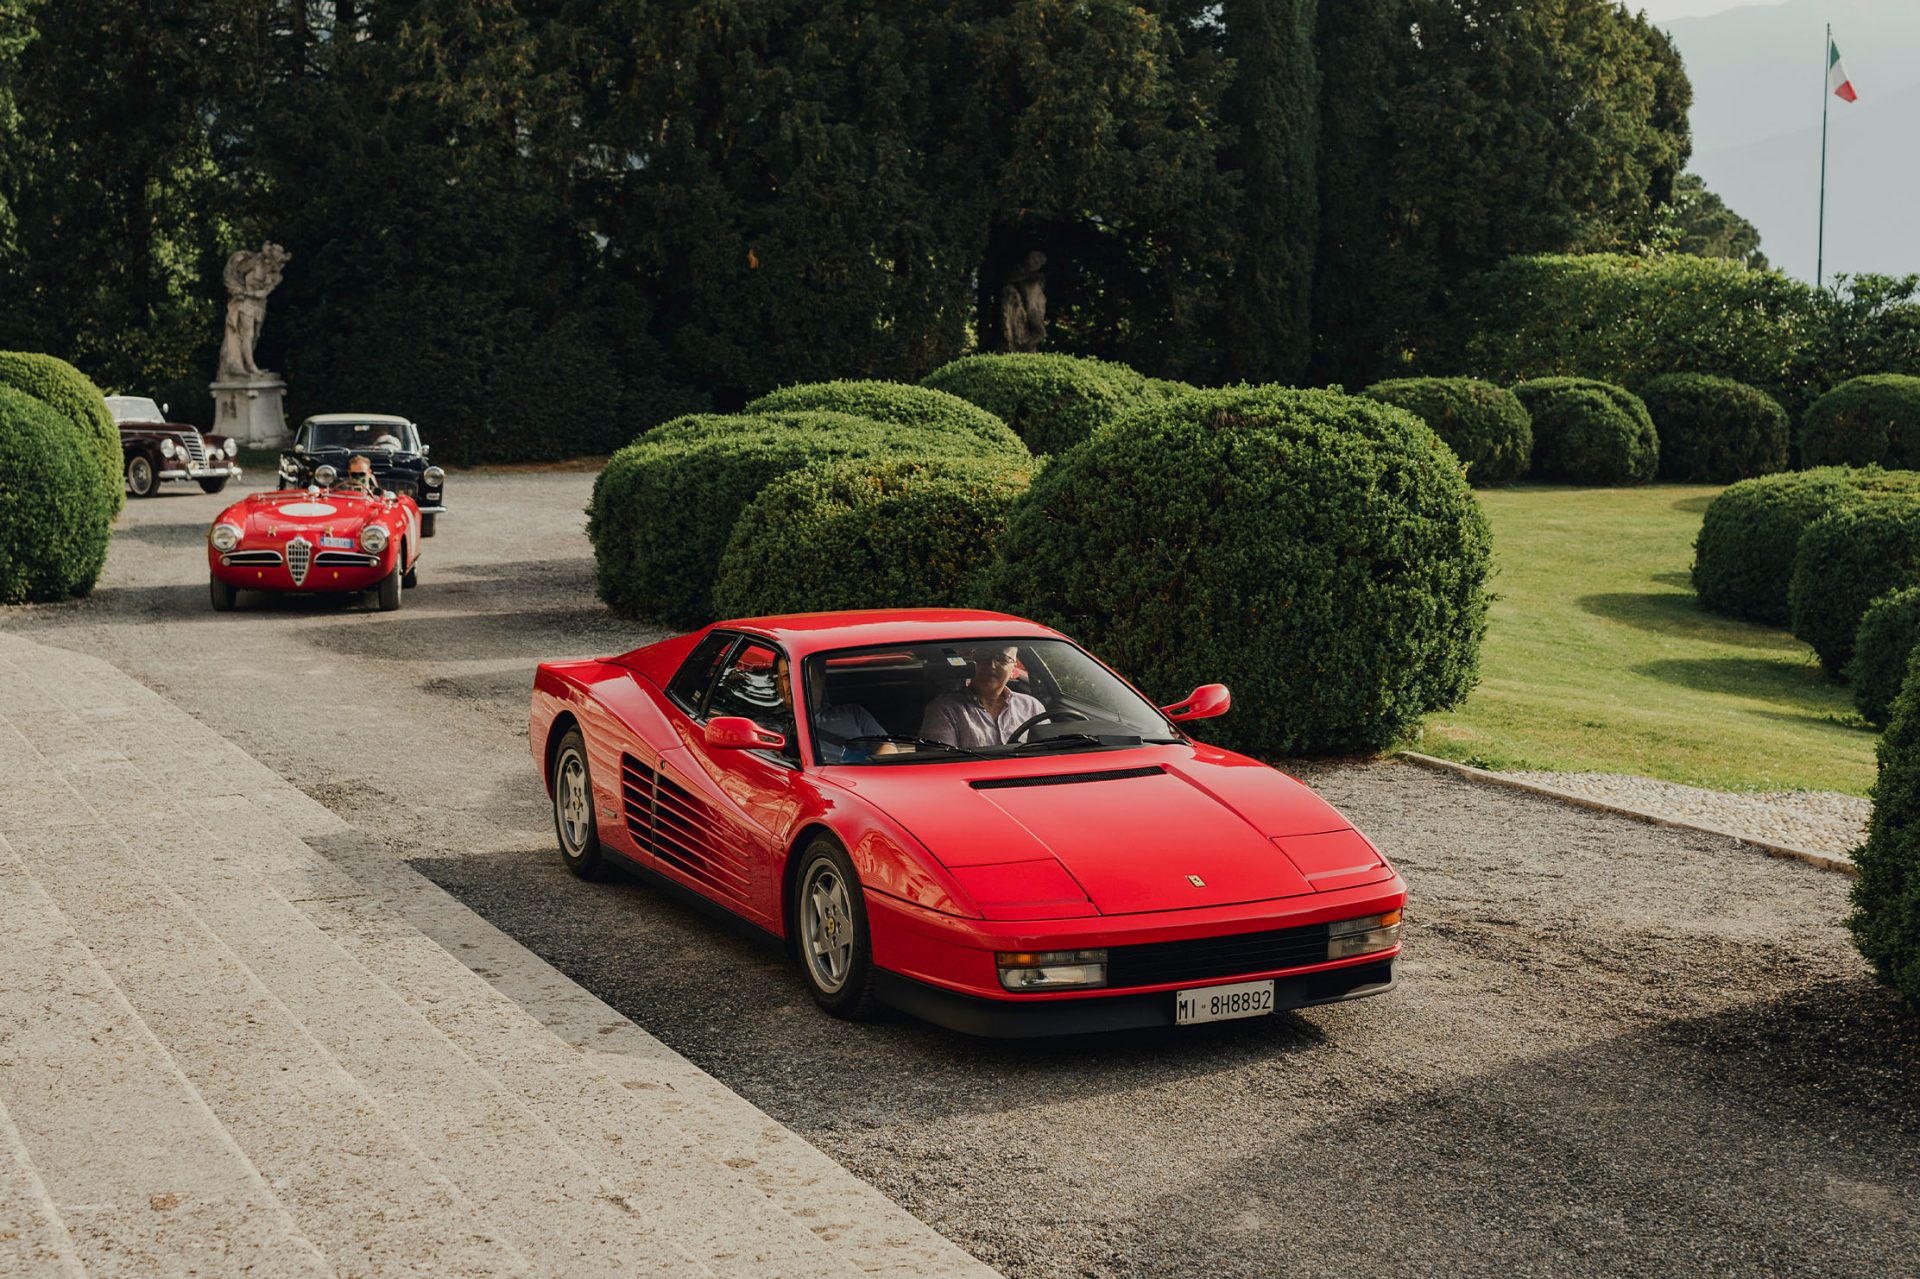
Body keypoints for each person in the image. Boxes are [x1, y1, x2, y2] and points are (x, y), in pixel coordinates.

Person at [918, 644, 1047, 749]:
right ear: (970, 662)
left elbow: (1049, 755)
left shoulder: (1032, 707)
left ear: (1014, 668)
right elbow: (942, 766)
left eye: (1002, 659)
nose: (991, 665)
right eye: (983, 656)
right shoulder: (944, 709)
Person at [773, 656, 898, 763]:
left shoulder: (853, 714)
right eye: (787, 676)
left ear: (821, 680)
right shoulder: (771, 725)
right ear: (778, 684)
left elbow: (887, 747)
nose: (796, 683)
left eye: (804, 676)